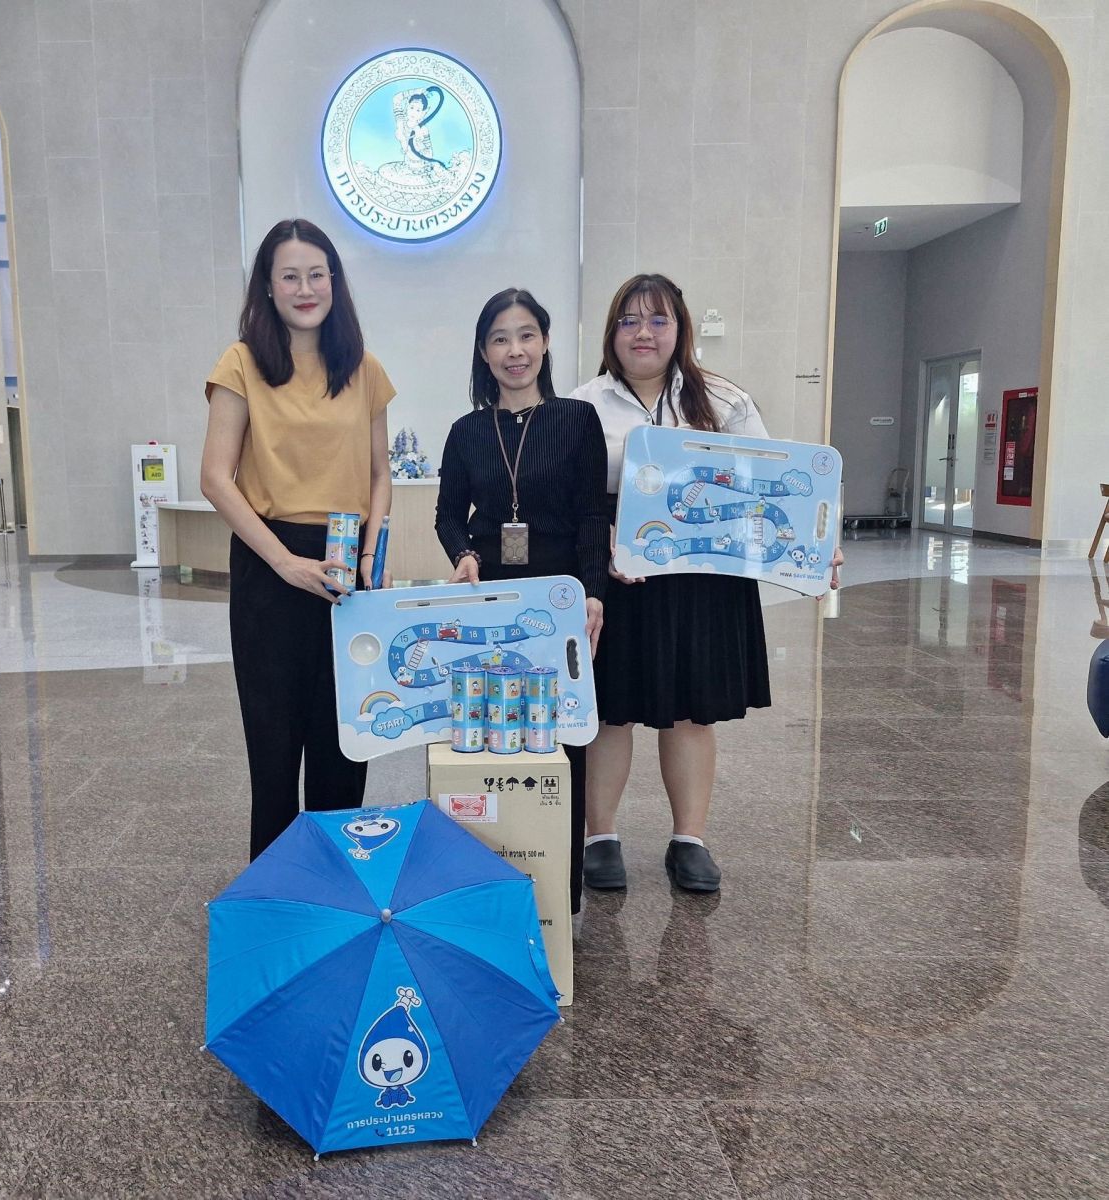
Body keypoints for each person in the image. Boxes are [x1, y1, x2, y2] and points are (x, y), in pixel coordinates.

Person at [571, 273, 841, 894]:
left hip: (704, 579)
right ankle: (599, 838)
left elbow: (778, 484)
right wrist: (600, 540)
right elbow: (571, 497)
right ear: (611, 332)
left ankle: (689, 840)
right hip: (618, 576)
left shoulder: (723, 401)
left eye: (658, 320)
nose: (643, 333)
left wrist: (817, 547)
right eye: (629, 320)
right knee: (609, 712)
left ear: (680, 329)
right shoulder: (582, 405)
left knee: (691, 714)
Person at [200, 218, 396, 860]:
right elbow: (215, 477)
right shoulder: (241, 363)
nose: (305, 288)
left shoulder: (363, 369)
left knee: (345, 742)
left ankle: (341, 881)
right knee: (275, 744)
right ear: (267, 285)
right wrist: (284, 562)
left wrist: (370, 554)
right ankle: (280, 889)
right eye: (290, 276)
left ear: (334, 281)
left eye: (317, 274)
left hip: (346, 564)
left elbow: (379, 473)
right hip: (270, 563)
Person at [435, 287, 609, 916]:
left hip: (558, 598)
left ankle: (560, 889)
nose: (515, 350)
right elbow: (447, 515)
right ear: (484, 352)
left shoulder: (577, 420)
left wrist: (593, 592)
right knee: (485, 730)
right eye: (500, 339)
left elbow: (593, 515)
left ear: (546, 342)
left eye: (527, 335)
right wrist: (463, 554)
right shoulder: (466, 432)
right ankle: (486, 879)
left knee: (560, 734)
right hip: (489, 600)